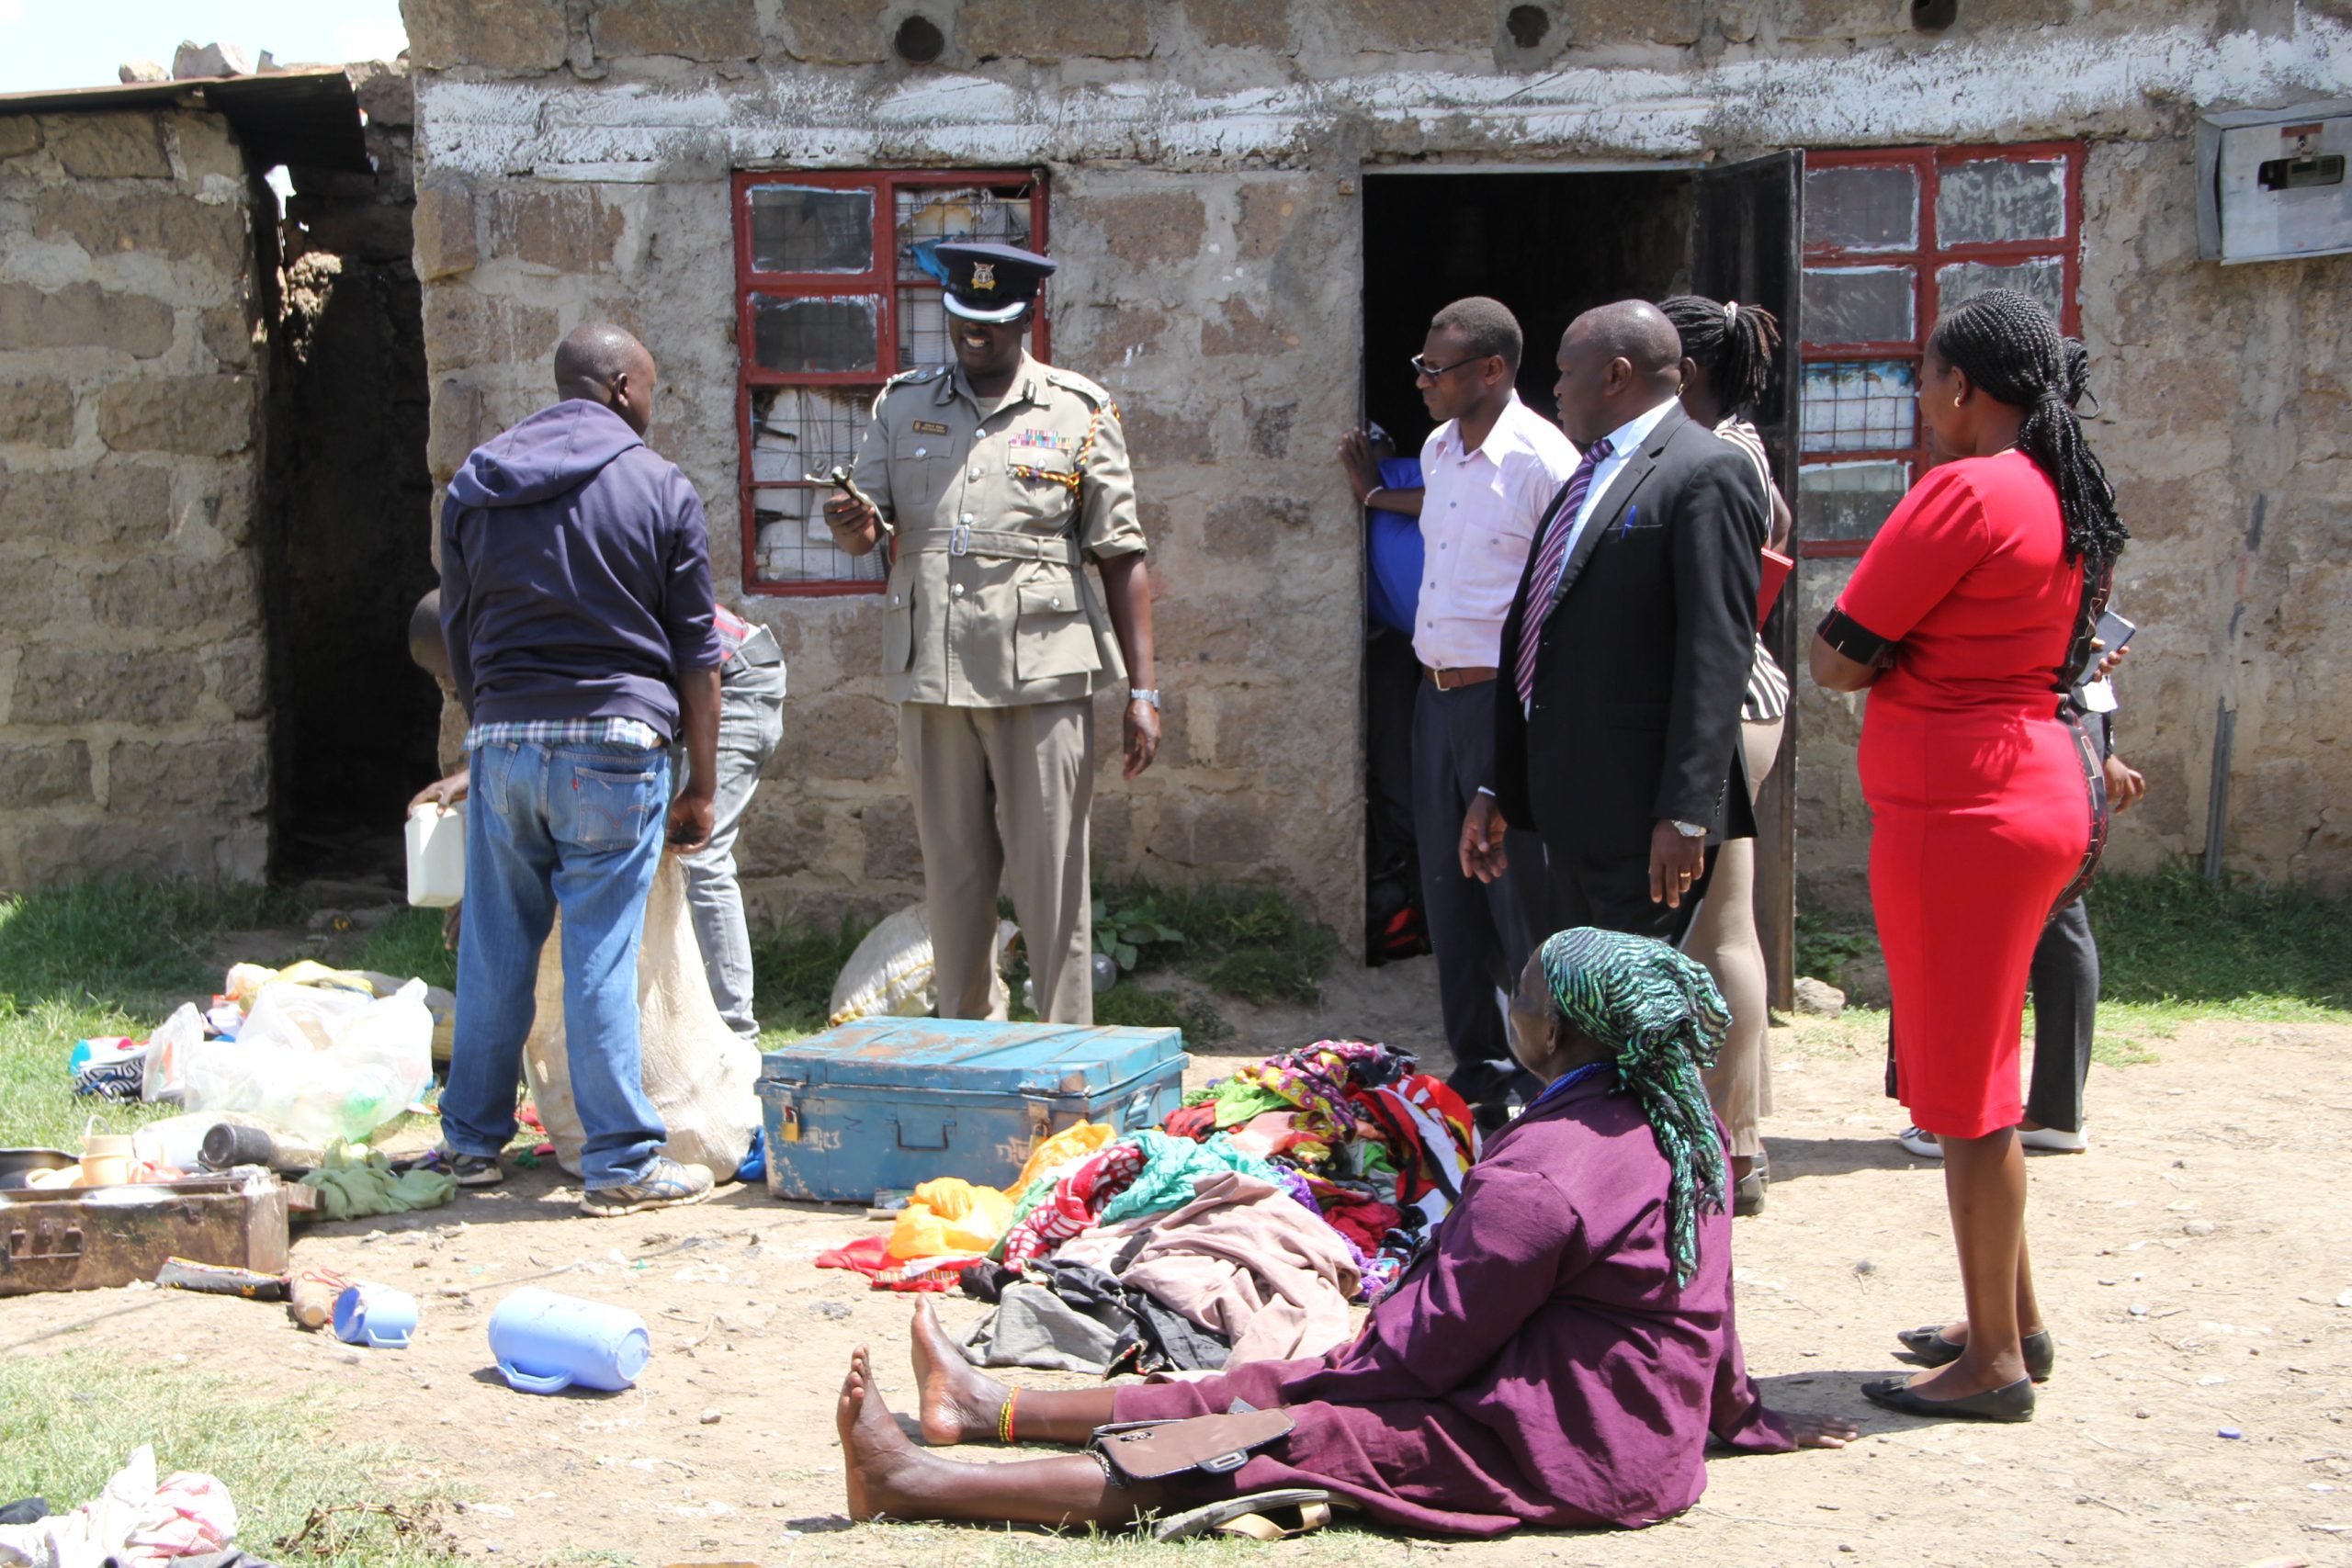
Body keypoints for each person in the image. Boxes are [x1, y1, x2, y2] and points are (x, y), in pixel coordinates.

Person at [831, 928, 1856, 1536]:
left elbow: (1416, 1357)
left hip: (1560, 1447)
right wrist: (1739, 1413)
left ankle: (921, 1481)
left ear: (1563, 1034)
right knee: (1277, 1389)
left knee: (1278, 1431)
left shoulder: (1542, 1174)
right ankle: (985, 1404)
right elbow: (1704, 1310)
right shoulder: (1689, 1133)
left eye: (1532, 1002)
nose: (1520, 1013)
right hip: (1635, 1433)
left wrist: (1309, 1383)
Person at [1810, 288, 2129, 1421]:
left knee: (1968, 1094)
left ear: (1961, 388)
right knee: (1980, 1068)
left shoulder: (1966, 490)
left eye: (1926, 378)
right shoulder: (2054, 493)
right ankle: (2014, 1318)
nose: (1921, 399)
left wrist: (1899, 669)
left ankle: (1990, 1362)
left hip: (1963, 813)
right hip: (2026, 789)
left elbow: (1838, 655)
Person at [822, 242, 1157, 1028]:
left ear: (1024, 318)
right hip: (934, 672)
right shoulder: (901, 406)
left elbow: (1122, 552)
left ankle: (1064, 1052)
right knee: (955, 876)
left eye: (993, 325)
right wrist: (852, 521)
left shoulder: (1078, 410)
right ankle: (966, 1050)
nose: (975, 338)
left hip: (1043, 675)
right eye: (962, 322)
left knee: (1052, 881)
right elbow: (864, 530)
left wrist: (1144, 690)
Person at [432, 322, 722, 1218]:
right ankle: (622, 1163)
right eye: (651, 392)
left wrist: (490, 732)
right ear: (625, 386)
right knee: (600, 950)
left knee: (494, 947)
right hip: (614, 747)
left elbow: (457, 626)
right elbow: (696, 654)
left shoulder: (476, 483)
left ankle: (471, 1147)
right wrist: (700, 784)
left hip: (506, 742)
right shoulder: (657, 486)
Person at [1340, 298, 1579, 1122]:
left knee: (1514, 889)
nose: (1422, 382)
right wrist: (1374, 496)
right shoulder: (1442, 449)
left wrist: (1525, 731)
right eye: (1419, 366)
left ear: (1493, 371)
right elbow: (1444, 513)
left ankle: (1552, 1073)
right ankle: (1477, 1064)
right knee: (1446, 885)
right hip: (1432, 697)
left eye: (1436, 369)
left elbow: (1560, 602)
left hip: (1501, 701)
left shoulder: (1543, 460)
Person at [1464, 301, 1766, 950]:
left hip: (1640, 816)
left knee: (1626, 1016)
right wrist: (1501, 783)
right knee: (1580, 1017)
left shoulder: (1704, 471)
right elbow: (1546, 630)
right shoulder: (1593, 470)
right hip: (1572, 806)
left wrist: (1685, 813)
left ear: (1617, 374)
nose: (1557, 387)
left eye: (1568, 370)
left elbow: (1717, 652)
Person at [409, 594, 786, 1044]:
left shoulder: (544, 631)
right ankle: (658, 1024)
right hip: (666, 697)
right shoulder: (517, 635)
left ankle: (735, 1034)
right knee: (638, 853)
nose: (452, 687)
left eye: (450, 673)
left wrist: (498, 882)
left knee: (698, 856)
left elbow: (560, 746)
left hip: (731, 679)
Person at [1896, 642, 2146, 1163]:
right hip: (2057, 759)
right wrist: (2102, 749)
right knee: (2057, 923)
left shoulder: (2007, 570)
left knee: (1952, 925)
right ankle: (2052, 1112)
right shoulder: (2077, 572)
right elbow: (2082, 672)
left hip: (2001, 760)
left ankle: (1954, 1115)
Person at [1657, 294, 1793, 1214]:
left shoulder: (1719, 456)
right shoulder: (1734, 445)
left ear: (1689, 370)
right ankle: (1735, 1139)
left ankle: (1729, 1142)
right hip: (1741, 703)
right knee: (1721, 928)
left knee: (1721, 931)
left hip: (1726, 706)